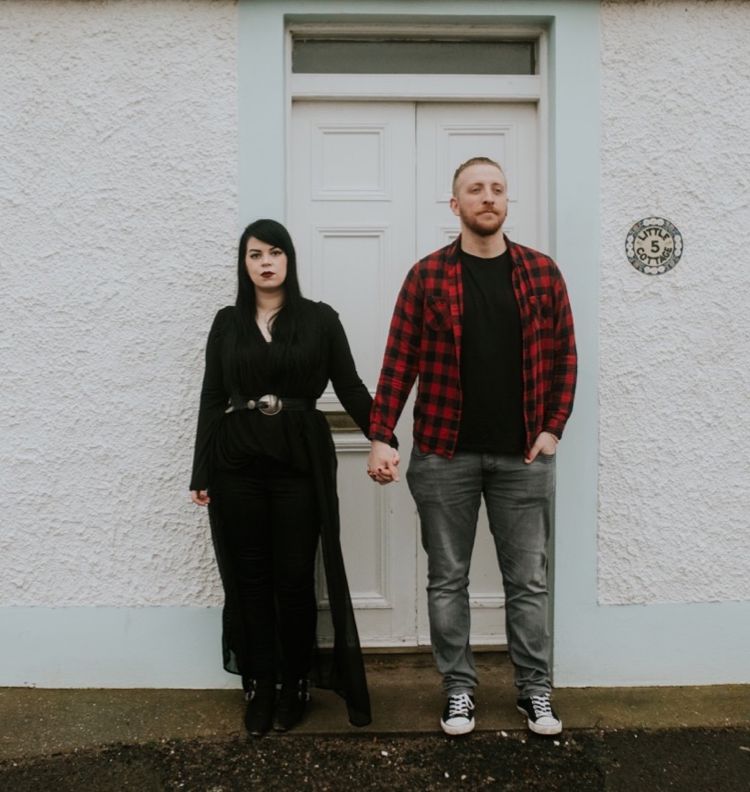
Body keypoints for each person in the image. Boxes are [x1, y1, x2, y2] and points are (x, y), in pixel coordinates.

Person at [366, 157, 578, 737]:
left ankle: (534, 692)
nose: (488, 198)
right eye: (475, 190)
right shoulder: (427, 277)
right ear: (454, 205)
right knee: (447, 579)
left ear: (508, 202)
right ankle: (458, 690)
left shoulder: (541, 273)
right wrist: (382, 433)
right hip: (442, 454)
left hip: (524, 458)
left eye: (497, 189)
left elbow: (565, 358)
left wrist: (552, 427)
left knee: (528, 581)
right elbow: (398, 362)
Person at [191, 218, 388, 735]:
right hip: (237, 464)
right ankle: (261, 681)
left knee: (295, 579)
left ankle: (295, 682)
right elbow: (213, 397)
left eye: (275, 252)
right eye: (255, 254)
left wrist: (382, 436)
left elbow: (349, 385)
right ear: (244, 263)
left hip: (299, 463)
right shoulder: (226, 323)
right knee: (251, 580)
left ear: (289, 260)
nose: (265, 262)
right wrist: (201, 468)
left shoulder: (320, 320)